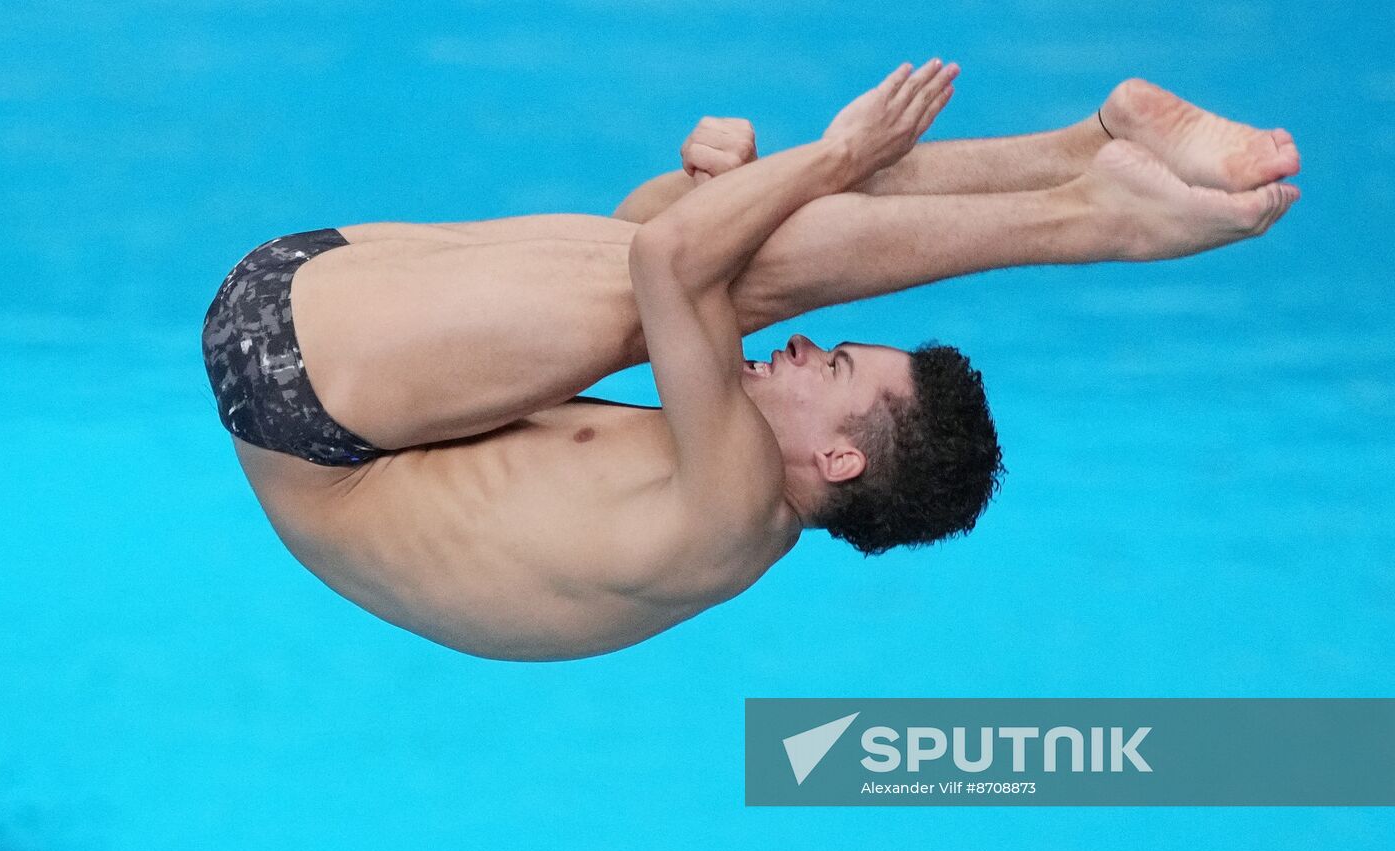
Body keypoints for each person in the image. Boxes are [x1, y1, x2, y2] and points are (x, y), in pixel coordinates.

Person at [203, 63, 1300, 660]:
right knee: (709, 244)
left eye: (837, 369)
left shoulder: (727, 514)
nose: (809, 349)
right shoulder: (734, 471)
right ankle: (1078, 157)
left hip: (301, 392)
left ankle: (1095, 214)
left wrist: (834, 156)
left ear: (834, 460)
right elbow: (642, 233)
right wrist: (705, 179)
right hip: (332, 317)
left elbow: (670, 269)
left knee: (723, 265)